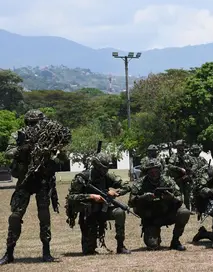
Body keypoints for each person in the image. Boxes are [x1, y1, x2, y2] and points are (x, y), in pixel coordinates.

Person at [0, 110, 70, 265]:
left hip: (43, 180)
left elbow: (63, 157)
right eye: (33, 123)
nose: (35, 126)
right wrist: (22, 148)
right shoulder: (19, 135)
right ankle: (9, 252)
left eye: (37, 123)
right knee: (15, 216)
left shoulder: (50, 136)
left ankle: (46, 252)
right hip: (25, 180)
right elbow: (8, 153)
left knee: (44, 216)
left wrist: (55, 149)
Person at [66, 152, 131, 255]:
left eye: (106, 168)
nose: (105, 171)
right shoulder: (83, 177)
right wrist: (91, 196)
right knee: (89, 251)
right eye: (103, 168)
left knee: (119, 212)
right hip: (88, 214)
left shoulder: (107, 176)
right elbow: (71, 197)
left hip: (103, 210)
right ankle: (89, 244)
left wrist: (116, 192)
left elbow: (126, 186)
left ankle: (120, 246)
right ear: (96, 166)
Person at [128, 159, 190, 251]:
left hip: (167, 213)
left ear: (160, 170)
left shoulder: (168, 181)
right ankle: (154, 234)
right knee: (153, 246)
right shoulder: (140, 183)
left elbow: (180, 199)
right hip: (151, 217)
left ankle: (175, 241)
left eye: (156, 171)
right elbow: (130, 203)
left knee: (184, 212)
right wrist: (142, 198)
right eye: (151, 171)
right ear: (147, 172)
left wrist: (171, 197)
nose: (154, 173)